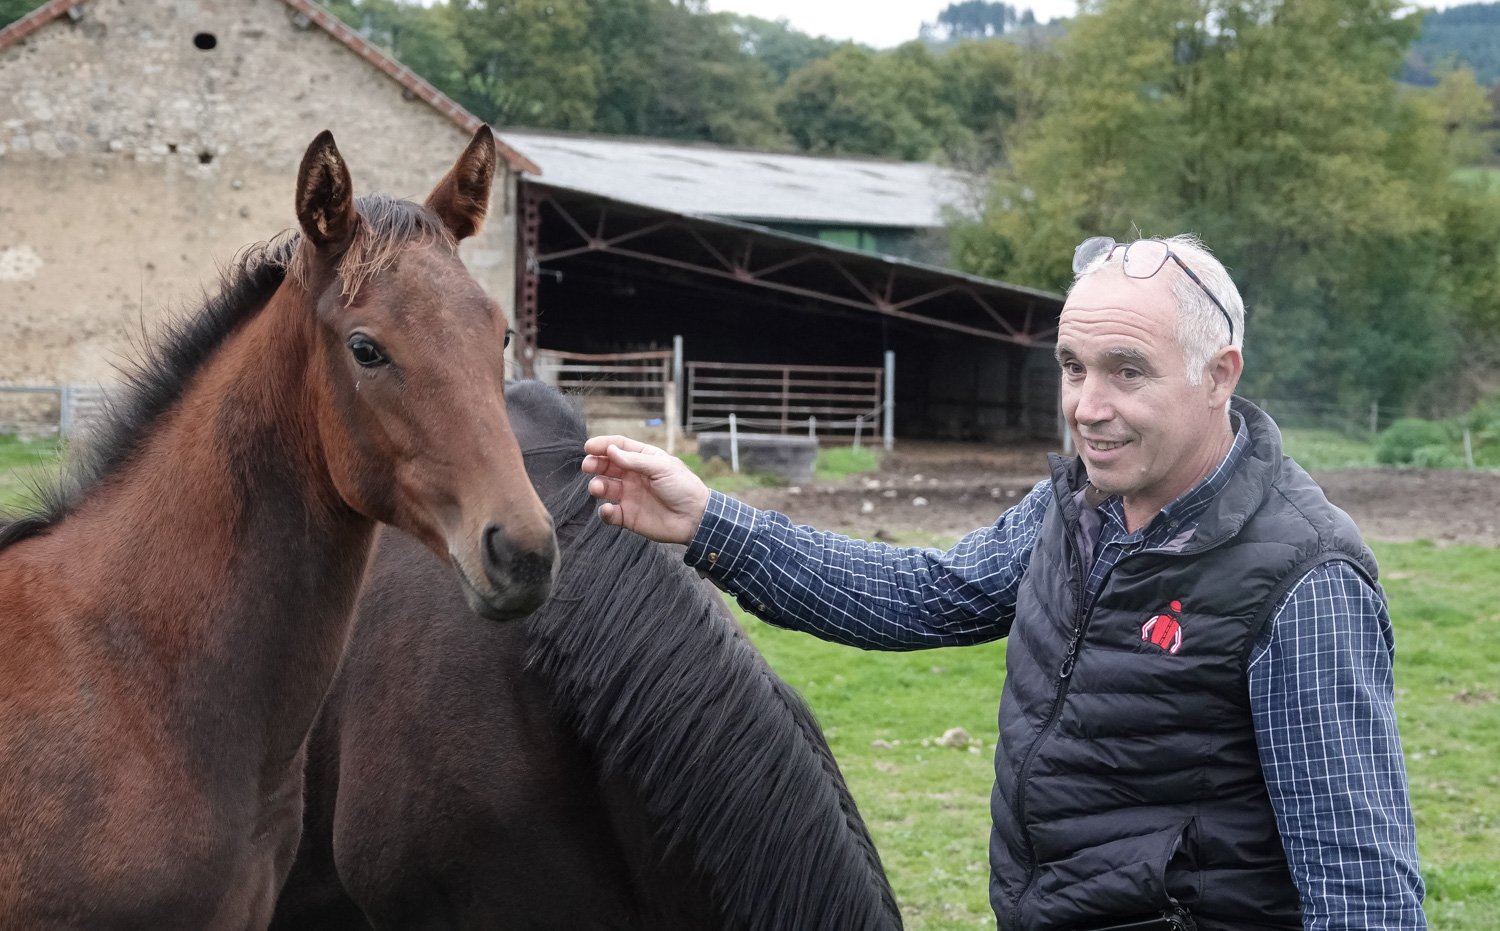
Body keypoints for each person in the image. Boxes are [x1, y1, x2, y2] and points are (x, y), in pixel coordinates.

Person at [581, 234, 1425, 931]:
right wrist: (712, 523)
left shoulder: (1303, 579)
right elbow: (926, 594)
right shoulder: (1078, 507)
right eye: (1073, 366)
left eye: (1127, 371)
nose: (1086, 405)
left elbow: (1364, 893)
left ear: (1219, 374)